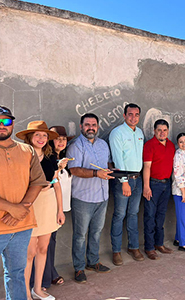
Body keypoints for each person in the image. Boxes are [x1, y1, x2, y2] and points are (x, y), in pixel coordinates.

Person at [0, 105, 47, 300]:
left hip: (21, 226)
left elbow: (37, 182)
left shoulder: (27, 150)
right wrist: (13, 209)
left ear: (12, 124)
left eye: (6, 121)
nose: (2, 126)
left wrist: (22, 210)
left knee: (17, 275)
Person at [16, 121, 65, 300]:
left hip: (48, 202)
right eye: (37, 135)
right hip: (30, 204)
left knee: (43, 248)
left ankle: (38, 288)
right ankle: (26, 293)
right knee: (29, 252)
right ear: (30, 137)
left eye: (44, 135)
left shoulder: (51, 158)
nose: (41, 138)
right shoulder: (21, 157)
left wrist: (60, 210)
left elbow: (55, 183)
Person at [67, 113, 114, 283]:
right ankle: (79, 268)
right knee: (80, 235)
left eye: (93, 125)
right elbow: (74, 169)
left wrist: (112, 170)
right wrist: (96, 173)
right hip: (83, 198)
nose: (91, 128)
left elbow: (108, 163)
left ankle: (92, 262)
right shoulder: (75, 146)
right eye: (87, 125)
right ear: (81, 127)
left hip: (102, 196)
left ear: (98, 126)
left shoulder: (103, 145)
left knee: (96, 232)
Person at [31, 126, 73, 290]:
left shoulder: (63, 158)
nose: (61, 142)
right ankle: (43, 280)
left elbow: (59, 184)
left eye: (64, 139)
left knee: (49, 244)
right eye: (57, 138)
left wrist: (61, 209)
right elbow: (48, 182)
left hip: (58, 207)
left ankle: (48, 275)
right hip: (44, 206)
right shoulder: (48, 159)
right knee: (39, 246)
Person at [109, 103, 145, 264]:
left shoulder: (140, 132)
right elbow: (117, 158)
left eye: (136, 114)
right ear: (124, 116)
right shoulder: (117, 133)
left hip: (138, 179)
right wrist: (124, 182)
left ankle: (133, 246)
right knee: (119, 215)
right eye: (130, 114)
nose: (133, 117)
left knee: (133, 214)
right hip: (123, 180)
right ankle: (116, 250)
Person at [143, 119, 176, 260]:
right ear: (154, 131)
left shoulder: (171, 145)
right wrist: (146, 186)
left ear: (168, 131)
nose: (162, 133)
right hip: (153, 184)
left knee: (161, 215)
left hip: (166, 184)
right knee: (150, 216)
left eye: (164, 130)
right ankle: (149, 247)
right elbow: (147, 167)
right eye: (159, 130)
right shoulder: (149, 145)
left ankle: (159, 243)